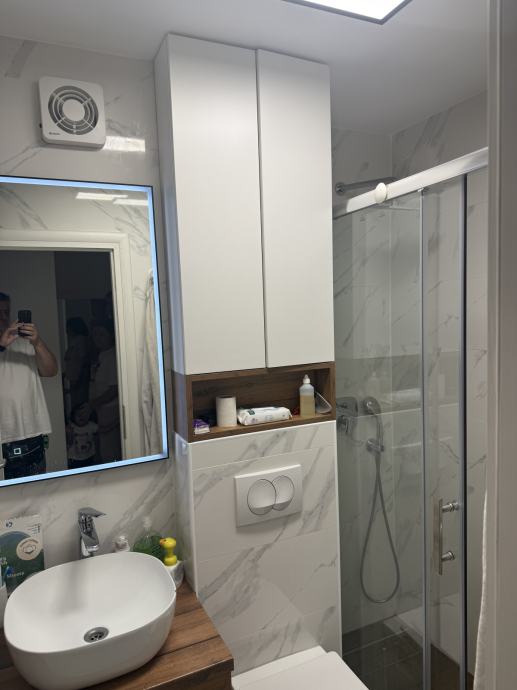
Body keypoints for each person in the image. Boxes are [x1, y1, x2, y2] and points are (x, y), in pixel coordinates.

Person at [0, 292, 58, 479]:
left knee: (36, 493)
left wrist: (37, 342)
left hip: (31, 433)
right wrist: (1, 346)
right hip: (2, 436)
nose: (3, 317)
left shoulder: (26, 344)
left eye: (6, 312)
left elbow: (51, 370)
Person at [79, 320, 121, 463]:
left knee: (110, 451)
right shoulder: (100, 355)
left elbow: (114, 390)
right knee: (101, 449)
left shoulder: (113, 357)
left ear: (111, 335)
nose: (97, 338)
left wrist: (92, 405)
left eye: (102, 334)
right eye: (95, 334)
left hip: (111, 409)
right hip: (100, 409)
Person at [66, 404, 98, 470]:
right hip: (74, 459)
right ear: (73, 416)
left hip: (89, 457)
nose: (81, 416)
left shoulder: (91, 426)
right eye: (78, 414)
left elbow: (102, 430)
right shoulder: (71, 427)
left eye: (84, 414)